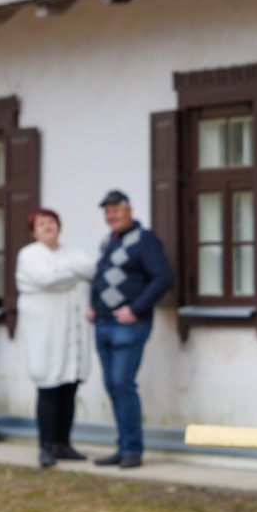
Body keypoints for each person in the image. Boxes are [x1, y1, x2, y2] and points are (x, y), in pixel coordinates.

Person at [87, 190, 172, 469]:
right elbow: (99, 278)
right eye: (107, 211)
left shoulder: (145, 240)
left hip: (128, 325)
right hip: (103, 322)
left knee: (123, 384)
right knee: (113, 386)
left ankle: (132, 449)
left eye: (116, 210)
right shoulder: (108, 241)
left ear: (129, 210)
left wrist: (135, 309)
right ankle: (122, 447)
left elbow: (162, 279)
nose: (111, 216)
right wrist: (93, 305)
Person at [16, 209, 96, 467]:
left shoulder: (72, 251)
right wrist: (72, 274)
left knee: (69, 388)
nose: (47, 226)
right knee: (49, 388)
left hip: (72, 334)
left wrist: (64, 270)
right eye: (41, 224)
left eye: (51, 222)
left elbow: (91, 269)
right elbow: (46, 278)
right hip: (46, 334)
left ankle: (64, 443)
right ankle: (46, 446)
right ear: (33, 231)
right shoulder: (29, 254)